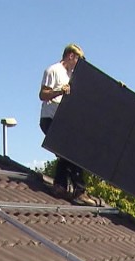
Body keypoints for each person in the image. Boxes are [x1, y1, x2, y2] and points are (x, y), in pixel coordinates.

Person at [39, 43, 96, 207]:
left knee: (66, 152)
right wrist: (60, 91)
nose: (78, 64)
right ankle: (79, 191)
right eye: (78, 59)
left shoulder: (71, 75)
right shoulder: (53, 70)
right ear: (71, 56)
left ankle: (60, 186)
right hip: (50, 119)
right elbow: (43, 94)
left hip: (63, 121)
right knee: (71, 151)